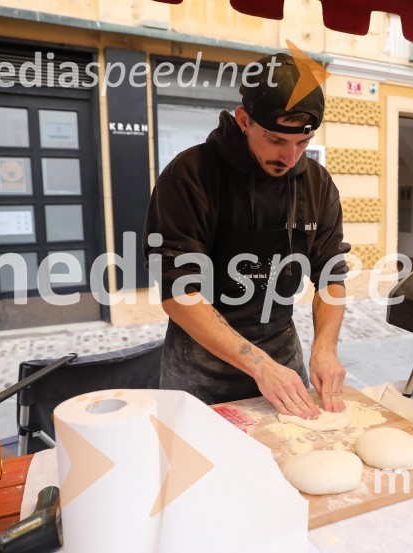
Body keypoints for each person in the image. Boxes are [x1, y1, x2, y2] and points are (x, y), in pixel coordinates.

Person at [144, 53, 350, 419]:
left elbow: (331, 276)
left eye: (303, 142)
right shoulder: (189, 176)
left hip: (282, 358)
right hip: (200, 367)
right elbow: (178, 294)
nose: (290, 158)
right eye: (277, 140)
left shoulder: (316, 183)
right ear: (244, 121)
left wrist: (325, 347)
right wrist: (259, 366)